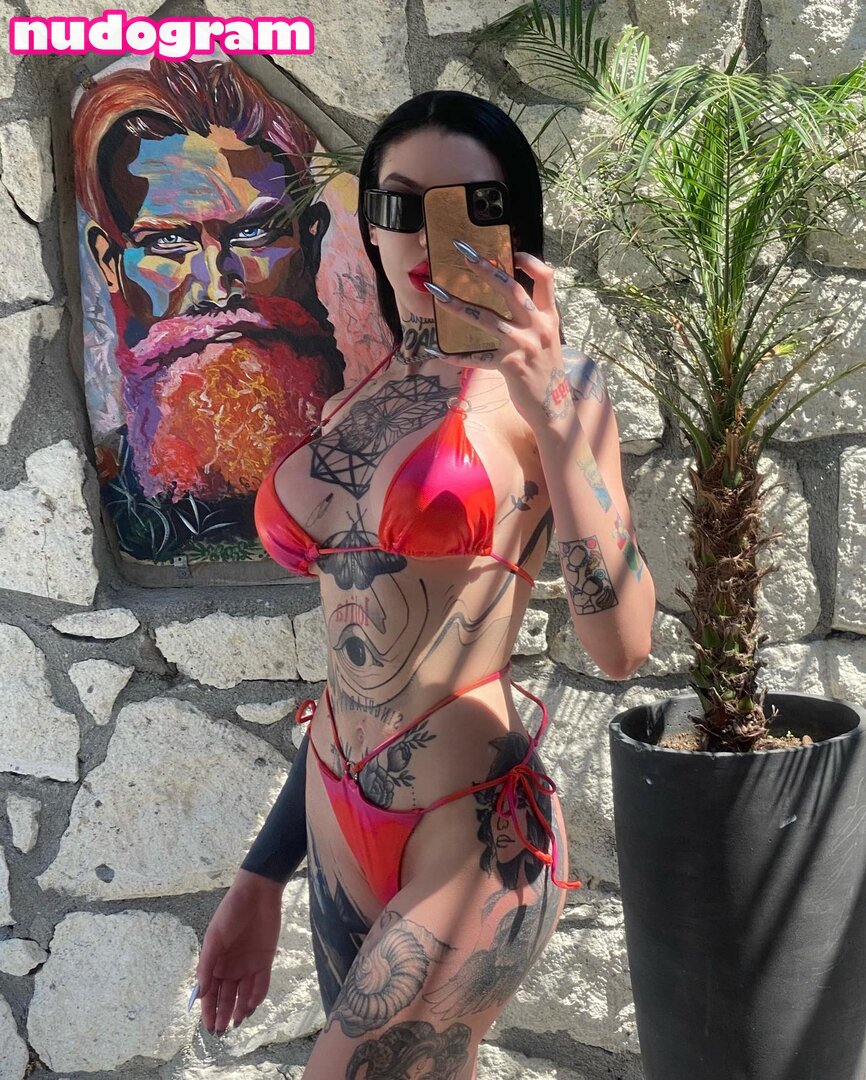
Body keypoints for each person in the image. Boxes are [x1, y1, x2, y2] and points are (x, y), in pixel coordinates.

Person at [193, 90, 656, 1078]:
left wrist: (550, 416)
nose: (425, 234)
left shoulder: (561, 392)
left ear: (513, 229)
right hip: (335, 818)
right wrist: (260, 873)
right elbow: (354, 675)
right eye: (400, 204)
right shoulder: (352, 398)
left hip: (471, 830)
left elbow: (622, 647)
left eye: (469, 206)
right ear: (369, 224)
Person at [73, 57, 346, 557]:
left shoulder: (377, 458)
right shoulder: (104, 493)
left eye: (253, 232)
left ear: (309, 242)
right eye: (168, 241)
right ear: (110, 264)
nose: (218, 282)